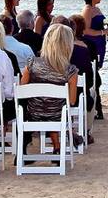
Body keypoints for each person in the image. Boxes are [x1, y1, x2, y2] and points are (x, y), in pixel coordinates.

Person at [20, 24, 80, 153]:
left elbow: (21, 91)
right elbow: (72, 101)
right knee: (58, 109)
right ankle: (59, 145)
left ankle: (55, 145)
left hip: (33, 114)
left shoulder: (31, 64)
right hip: (58, 116)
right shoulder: (71, 71)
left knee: (43, 106)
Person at [81, 0, 108, 67]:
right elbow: (85, 30)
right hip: (93, 43)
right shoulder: (87, 9)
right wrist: (103, 32)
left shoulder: (96, 9)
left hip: (100, 42)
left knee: (98, 66)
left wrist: (105, 26)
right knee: (94, 66)